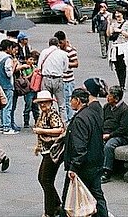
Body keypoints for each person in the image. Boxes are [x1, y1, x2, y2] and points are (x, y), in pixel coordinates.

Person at [63, 88, 109, 217]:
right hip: (96, 161)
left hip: (84, 166)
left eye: (71, 99)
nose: (70, 102)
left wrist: (73, 167)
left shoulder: (79, 119)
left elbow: (80, 147)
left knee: (69, 198)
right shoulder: (93, 114)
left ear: (77, 101)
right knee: (97, 196)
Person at [32, 88, 66, 217]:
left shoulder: (53, 114)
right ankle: (56, 204)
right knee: (43, 178)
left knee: (46, 180)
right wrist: (38, 146)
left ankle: (50, 211)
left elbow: (59, 130)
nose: (42, 105)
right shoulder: (43, 114)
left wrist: (41, 131)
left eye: (45, 102)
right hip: (46, 150)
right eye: (41, 103)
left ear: (51, 103)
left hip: (53, 151)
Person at [99, 85, 128, 183]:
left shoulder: (125, 110)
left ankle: (106, 171)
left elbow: (123, 129)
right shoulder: (106, 107)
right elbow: (102, 120)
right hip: (106, 133)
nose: (107, 97)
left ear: (116, 99)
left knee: (109, 146)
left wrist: (110, 135)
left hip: (119, 136)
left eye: (110, 96)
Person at [0, 38, 19, 133]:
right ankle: (7, 126)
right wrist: (14, 65)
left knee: (0, 106)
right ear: (8, 48)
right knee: (7, 106)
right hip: (7, 85)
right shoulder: (8, 59)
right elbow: (9, 73)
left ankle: (2, 126)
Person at [105, 11, 128, 90]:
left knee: (122, 66)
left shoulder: (127, 24)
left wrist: (121, 31)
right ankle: (120, 82)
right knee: (117, 67)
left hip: (122, 47)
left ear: (122, 14)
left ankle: (122, 84)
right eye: (116, 14)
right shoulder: (113, 24)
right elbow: (108, 34)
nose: (117, 15)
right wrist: (109, 23)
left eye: (119, 14)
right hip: (114, 47)